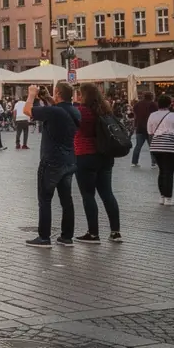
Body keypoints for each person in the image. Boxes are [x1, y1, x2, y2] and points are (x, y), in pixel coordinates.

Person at [24, 83, 80, 247]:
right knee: (66, 200)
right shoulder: (74, 110)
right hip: (69, 160)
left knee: (45, 199)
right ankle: (67, 237)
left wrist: (31, 94)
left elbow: (27, 110)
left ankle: (44, 237)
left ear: (58, 93)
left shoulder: (54, 112)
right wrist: (48, 97)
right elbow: (59, 108)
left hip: (51, 161)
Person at [73, 84, 122, 243]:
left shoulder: (81, 111)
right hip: (105, 155)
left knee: (88, 195)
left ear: (83, 95)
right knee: (107, 194)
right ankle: (115, 232)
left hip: (85, 155)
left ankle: (93, 233)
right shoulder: (105, 110)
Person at [148, 94, 174, 206]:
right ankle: (169, 199)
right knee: (169, 172)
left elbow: (150, 131)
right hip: (170, 146)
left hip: (156, 145)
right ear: (170, 104)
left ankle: (162, 197)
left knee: (162, 171)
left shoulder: (152, 115)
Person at [131, 92, 158, 167]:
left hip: (139, 127)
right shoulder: (153, 105)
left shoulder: (137, 104)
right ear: (151, 97)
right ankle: (154, 162)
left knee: (138, 146)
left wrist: (135, 125)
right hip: (150, 128)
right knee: (152, 146)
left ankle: (134, 162)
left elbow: (135, 115)